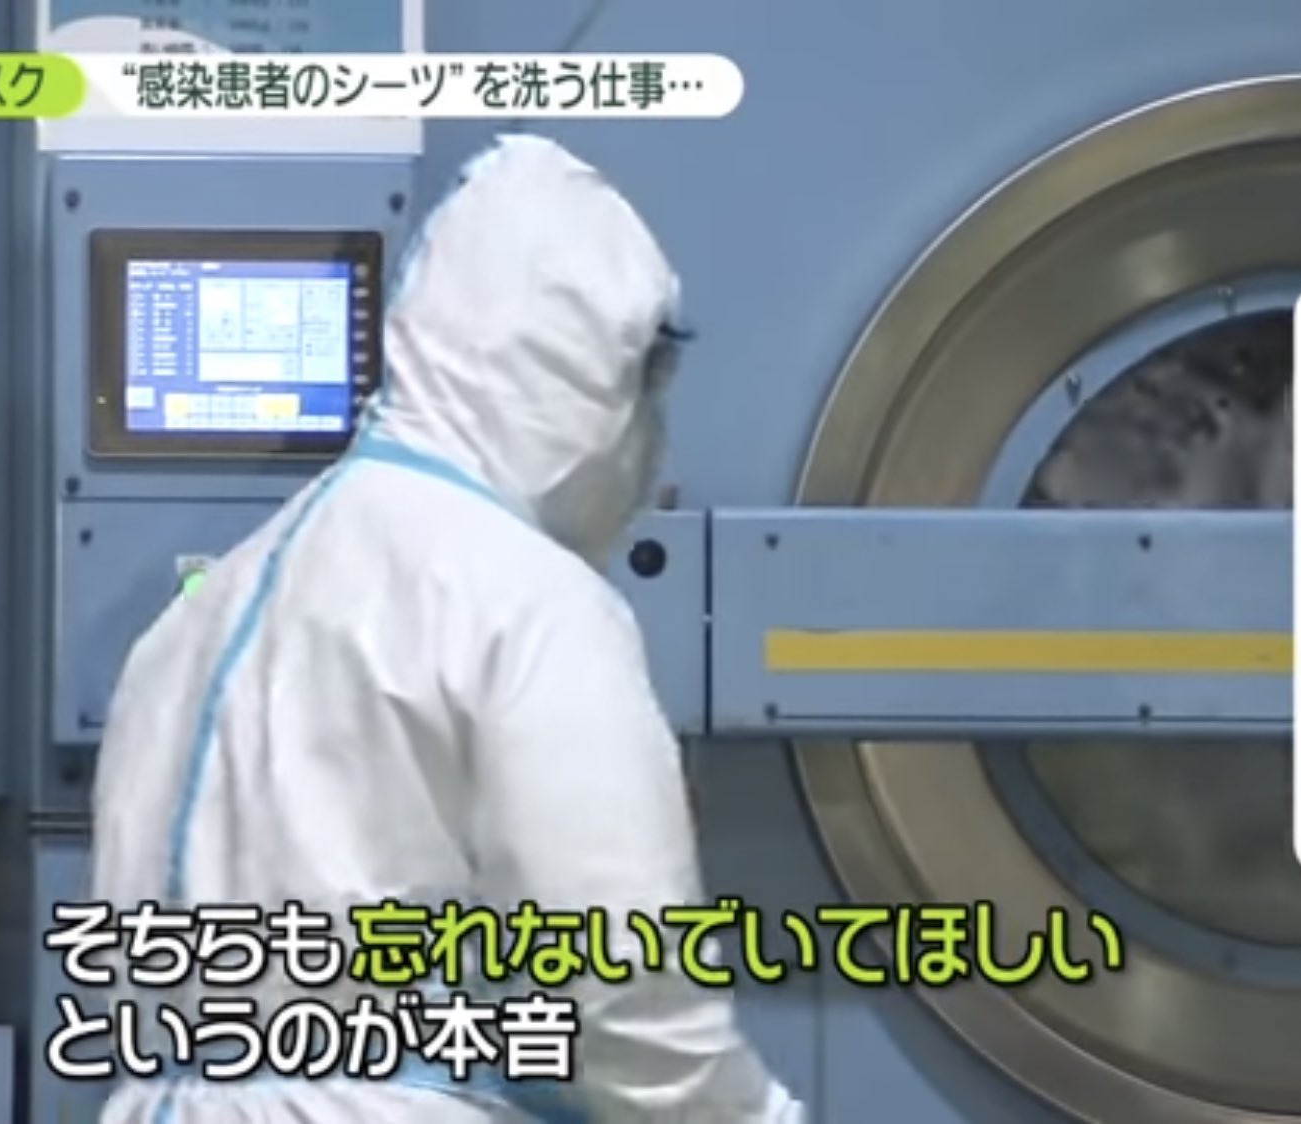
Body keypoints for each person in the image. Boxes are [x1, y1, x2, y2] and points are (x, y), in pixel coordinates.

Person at [89, 134, 807, 1123]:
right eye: (646, 394)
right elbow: (627, 988)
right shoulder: (524, 603)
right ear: (586, 379)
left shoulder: (196, 617)